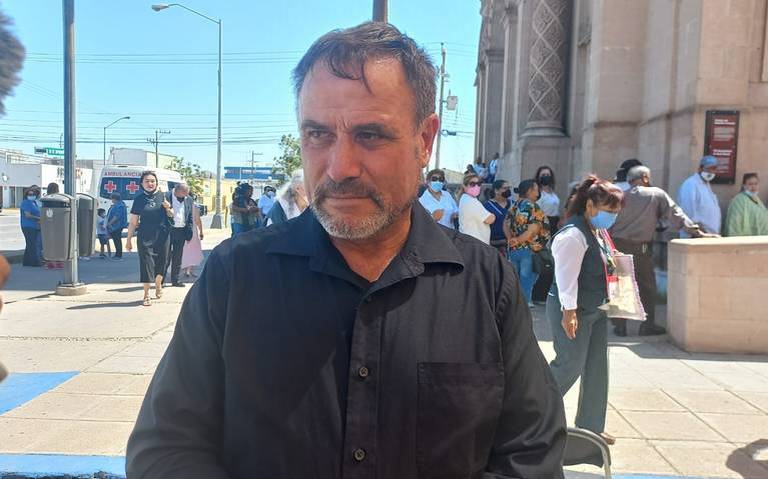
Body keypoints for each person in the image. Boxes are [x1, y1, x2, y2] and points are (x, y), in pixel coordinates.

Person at [127, 22, 566, 478]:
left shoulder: (486, 285)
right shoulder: (234, 277)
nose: (340, 167)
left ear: (424, 140)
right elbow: (165, 449)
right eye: (318, 135)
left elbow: (530, 454)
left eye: (370, 134)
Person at [546, 175, 623, 445]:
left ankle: (591, 425)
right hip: (572, 308)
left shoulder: (597, 232)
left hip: (595, 307)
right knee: (569, 364)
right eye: (608, 210)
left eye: (615, 211)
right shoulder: (573, 234)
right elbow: (565, 278)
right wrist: (569, 313)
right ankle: (531, 414)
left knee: (596, 366)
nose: (612, 217)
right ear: (590, 205)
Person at [610, 166, 714, 337]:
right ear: (645, 177)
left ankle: (620, 326)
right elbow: (676, 214)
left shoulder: (621, 197)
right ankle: (647, 325)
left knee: (621, 285)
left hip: (617, 245)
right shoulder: (656, 194)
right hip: (640, 248)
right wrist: (698, 233)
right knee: (647, 287)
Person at [125, 171, 173, 307]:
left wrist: (168, 208)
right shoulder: (139, 199)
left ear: (156, 183)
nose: (150, 183)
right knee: (146, 265)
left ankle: (158, 284)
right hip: (145, 237)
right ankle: (146, 294)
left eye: (152, 181)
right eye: (147, 181)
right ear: (141, 183)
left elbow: (172, 215)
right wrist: (128, 240)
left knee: (162, 263)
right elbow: (133, 222)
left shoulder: (164, 196)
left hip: (163, 236)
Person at [504, 179, 550, 307]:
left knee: (516, 280)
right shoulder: (532, 206)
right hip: (529, 249)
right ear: (529, 191)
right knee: (527, 280)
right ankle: (523, 306)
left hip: (514, 249)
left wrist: (511, 239)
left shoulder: (514, 206)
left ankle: (514, 305)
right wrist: (518, 240)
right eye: (536, 190)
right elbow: (533, 230)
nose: (538, 193)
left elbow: (505, 224)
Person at [677, 155, 722, 236]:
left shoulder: (706, 185)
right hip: (696, 236)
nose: (711, 172)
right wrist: (701, 232)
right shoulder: (691, 184)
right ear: (700, 169)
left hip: (709, 236)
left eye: (714, 169)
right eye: (708, 168)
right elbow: (688, 212)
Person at [165, 183, 195, 288]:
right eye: (184, 193)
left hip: (181, 231)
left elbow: (190, 217)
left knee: (178, 257)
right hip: (168, 231)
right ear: (177, 190)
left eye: (187, 193)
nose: (186, 195)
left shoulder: (189, 199)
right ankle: (160, 279)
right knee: (165, 256)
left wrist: (189, 233)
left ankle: (175, 280)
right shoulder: (166, 197)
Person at [458, 173, 495, 244]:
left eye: (479, 184)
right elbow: (489, 219)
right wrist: (493, 215)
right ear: (464, 186)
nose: (476, 186)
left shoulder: (466, 198)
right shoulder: (471, 201)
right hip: (475, 243)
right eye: (472, 184)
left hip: (470, 241)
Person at [484, 179, 511, 253]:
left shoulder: (513, 204)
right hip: (494, 244)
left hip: (512, 242)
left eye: (509, 188)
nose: (508, 190)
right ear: (496, 191)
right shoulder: (487, 206)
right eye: (505, 188)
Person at [42, 182, 64, 269]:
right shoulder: (58, 199)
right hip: (57, 223)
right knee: (58, 243)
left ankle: (49, 262)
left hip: (47, 223)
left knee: (49, 244)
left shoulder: (45, 199)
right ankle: (58, 262)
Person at [19, 185, 42, 267]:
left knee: (30, 244)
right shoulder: (26, 203)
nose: (31, 196)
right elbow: (27, 215)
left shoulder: (34, 203)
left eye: (33, 194)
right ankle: (33, 262)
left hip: (34, 226)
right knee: (32, 244)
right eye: (30, 194)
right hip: (28, 226)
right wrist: (39, 218)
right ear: (26, 195)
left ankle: (26, 261)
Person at [181, 200, 205, 278]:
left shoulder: (179, 203)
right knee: (192, 250)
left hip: (181, 230)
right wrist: (201, 232)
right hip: (192, 231)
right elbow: (198, 220)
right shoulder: (193, 206)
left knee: (183, 250)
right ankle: (189, 270)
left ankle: (184, 269)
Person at [106, 193, 127, 261]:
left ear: (115, 198)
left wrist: (110, 223)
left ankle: (118, 255)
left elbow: (117, 216)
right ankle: (117, 254)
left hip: (117, 225)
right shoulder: (117, 205)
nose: (111, 200)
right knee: (116, 240)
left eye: (112, 198)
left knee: (117, 240)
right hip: (114, 226)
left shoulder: (120, 205)